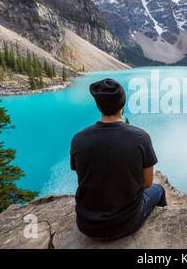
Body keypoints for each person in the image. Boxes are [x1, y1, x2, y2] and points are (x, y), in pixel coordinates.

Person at [70, 78, 167, 240]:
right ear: (122, 105)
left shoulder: (78, 139)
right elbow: (147, 183)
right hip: (126, 224)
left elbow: (82, 177)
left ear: (98, 105)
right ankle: (163, 230)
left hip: (87, 225)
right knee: (159, 190)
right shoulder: (141, 138)